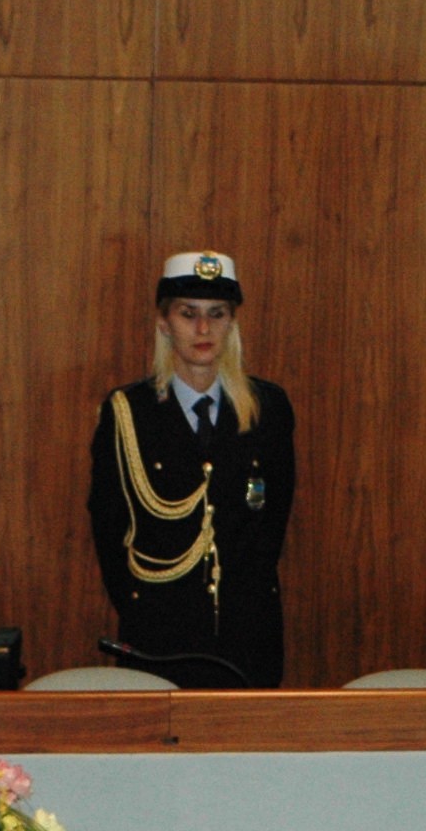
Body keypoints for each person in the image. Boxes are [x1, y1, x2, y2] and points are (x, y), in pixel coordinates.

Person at [86, 252, 296, 689]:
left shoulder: (268, 408)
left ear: (232, 323)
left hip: (247, 639)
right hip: (159, 638)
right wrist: (140, 609)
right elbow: (109, 528)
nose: (203, 329)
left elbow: (273, 521)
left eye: (217, 314)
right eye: (188, 314)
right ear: (164, 323)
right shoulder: (129, 412)